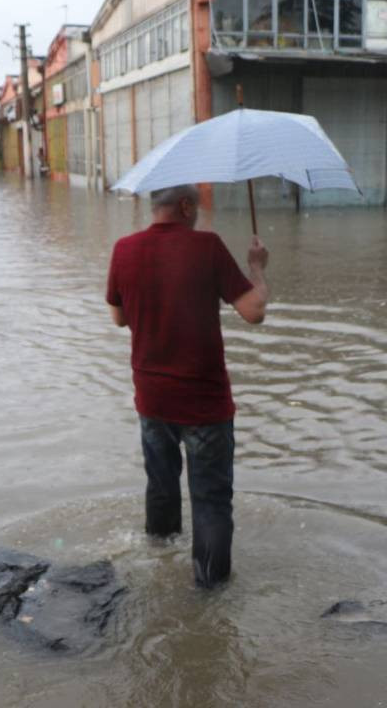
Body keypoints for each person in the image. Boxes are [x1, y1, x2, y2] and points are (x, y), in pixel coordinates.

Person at [106, 184, 269, 589]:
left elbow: (119, 318)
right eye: (195, 207)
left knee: (161, 488)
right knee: (210, 500)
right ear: (184, 206)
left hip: (152, 399)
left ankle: (159, 563)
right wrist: (257, 267)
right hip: (204, 404)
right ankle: (210, 596)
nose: (198, 214)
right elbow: (254, 312)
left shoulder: (124, 249)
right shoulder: (207, 247)